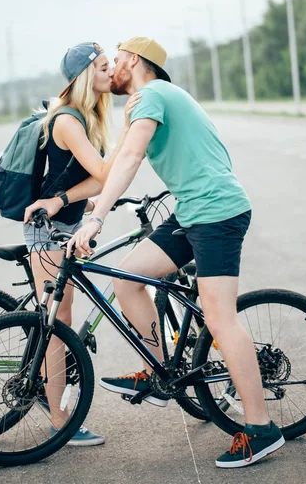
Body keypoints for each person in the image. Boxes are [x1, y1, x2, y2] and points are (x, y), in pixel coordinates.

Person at [65, 36, 285, 467]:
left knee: (220, 317)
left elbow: (129, 159)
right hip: (191, 212)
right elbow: (115, 167)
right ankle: (162, 370)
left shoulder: (153, 94)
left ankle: (261, 429)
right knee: (126, 279)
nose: (111, 70)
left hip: (217, 213)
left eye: (117, 60)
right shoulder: (147, 102)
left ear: (133, 61)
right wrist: (79, 202)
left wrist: (96, 220)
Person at [23, 41, 140, 446]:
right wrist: (133, 123)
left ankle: (52, 397)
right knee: (58, 326)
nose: (113, 73)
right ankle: (59, 419)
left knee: (61, 322)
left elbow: (96, 180)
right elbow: (107, 173)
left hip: (64, 225)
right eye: (105, 67)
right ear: (89, 75)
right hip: (48, 231)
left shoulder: (85, 117)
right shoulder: (68, 121)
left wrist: (67, 199)